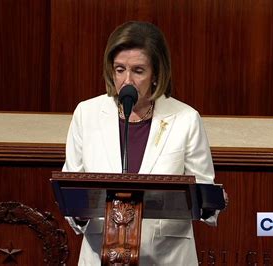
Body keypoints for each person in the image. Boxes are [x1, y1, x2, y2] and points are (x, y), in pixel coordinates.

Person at [63, 21, 217, 265]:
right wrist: (78, 213)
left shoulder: (186, 119)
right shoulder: (87, 113)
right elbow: (71, 186)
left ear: (156, 74)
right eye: (120, 69)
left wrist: (211, 201)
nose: (127, 80)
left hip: (165, 257)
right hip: (101, 253)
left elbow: (205, 193)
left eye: (138, 70)